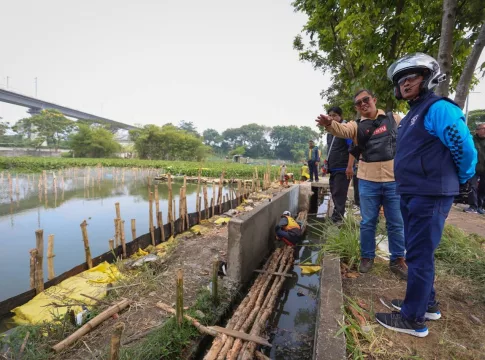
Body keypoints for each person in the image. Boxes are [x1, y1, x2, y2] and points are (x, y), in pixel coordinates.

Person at [373, 53, 477, 337]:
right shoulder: (411, 115)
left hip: (429, 193)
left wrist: (465, 178)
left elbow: (464, 146)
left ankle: (412, 319)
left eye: (412, 78)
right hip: (412, 192)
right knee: (419, 252)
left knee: (419, 256)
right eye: (401, 81)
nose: (406, 84)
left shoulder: (438, 108)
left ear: (427, 78)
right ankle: (426, 303)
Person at [315, 90, 407, 279]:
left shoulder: (394, 119)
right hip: (367, 180)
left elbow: (410, 138)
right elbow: (342, 130)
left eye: (366, 100)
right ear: (356, 108)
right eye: (359, 103)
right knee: (367, 222)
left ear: (374, 99)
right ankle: (367, 256)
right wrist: (330, 124)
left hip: (393, 180)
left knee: (396, 223)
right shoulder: (355, 126)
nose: (363, 104)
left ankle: (398, 259)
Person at [324, 106, 355, 223]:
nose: (331, 118)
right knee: (334, 192)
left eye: (334, 115)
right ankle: (337, 214)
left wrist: (350, 166)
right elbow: (331, 149)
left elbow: (352, 148)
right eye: (330, 115)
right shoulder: (330, 132)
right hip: (333, 167)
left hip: (342, 167)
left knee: (339, 192)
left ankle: (338, 218)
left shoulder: (345, 129)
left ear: (340, 116)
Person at [463, 123, 485, 214]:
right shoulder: (471, 139)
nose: (484, 130)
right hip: (474, 168)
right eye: (482, 128)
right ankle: (473, 206)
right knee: (473, 187)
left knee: (483, 188)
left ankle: (481, 206)